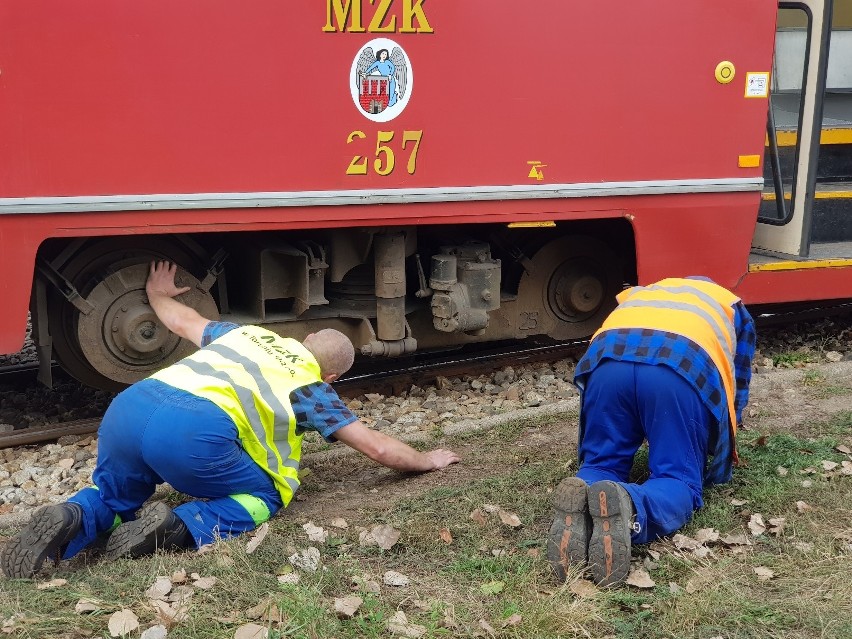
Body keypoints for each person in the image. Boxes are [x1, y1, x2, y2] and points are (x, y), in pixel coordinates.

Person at [2, 261, 460, 579]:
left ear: (307, 337)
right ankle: (178, 527)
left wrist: (157, 292)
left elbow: (183, 321)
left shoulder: (246, 335)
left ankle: (75, 514)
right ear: (333, 374)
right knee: (270, 492)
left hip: (129, 408)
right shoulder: (313, 387)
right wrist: (426, 460)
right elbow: (376, 446)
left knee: (115, 493)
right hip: (191, 434)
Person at [546, 277, 755, 586]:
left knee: (602, 464)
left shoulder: (643, 293)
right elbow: (734, 386)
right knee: (676, 478)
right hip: (677, 367)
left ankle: (582, 496)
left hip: (607, 362)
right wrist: (720, 447)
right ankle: (631, 505)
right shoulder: (731, 305)